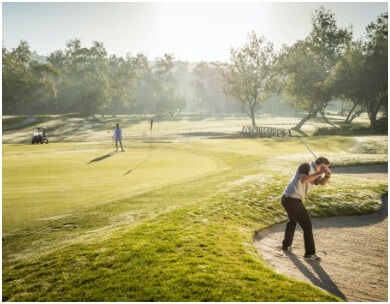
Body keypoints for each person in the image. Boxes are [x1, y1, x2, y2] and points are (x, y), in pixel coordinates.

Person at [281, 156, 331, 261]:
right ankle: (309, 254)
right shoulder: (305, 166)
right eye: (325, 167)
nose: (325, 169)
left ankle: (286, 245)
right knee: (307, 225)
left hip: (289, 199)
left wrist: (327, 176)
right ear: (321, 165)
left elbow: (321, 182)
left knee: (292, 220)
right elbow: (304, 180)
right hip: (291, 199)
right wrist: (320, 172)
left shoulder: (315, 171)